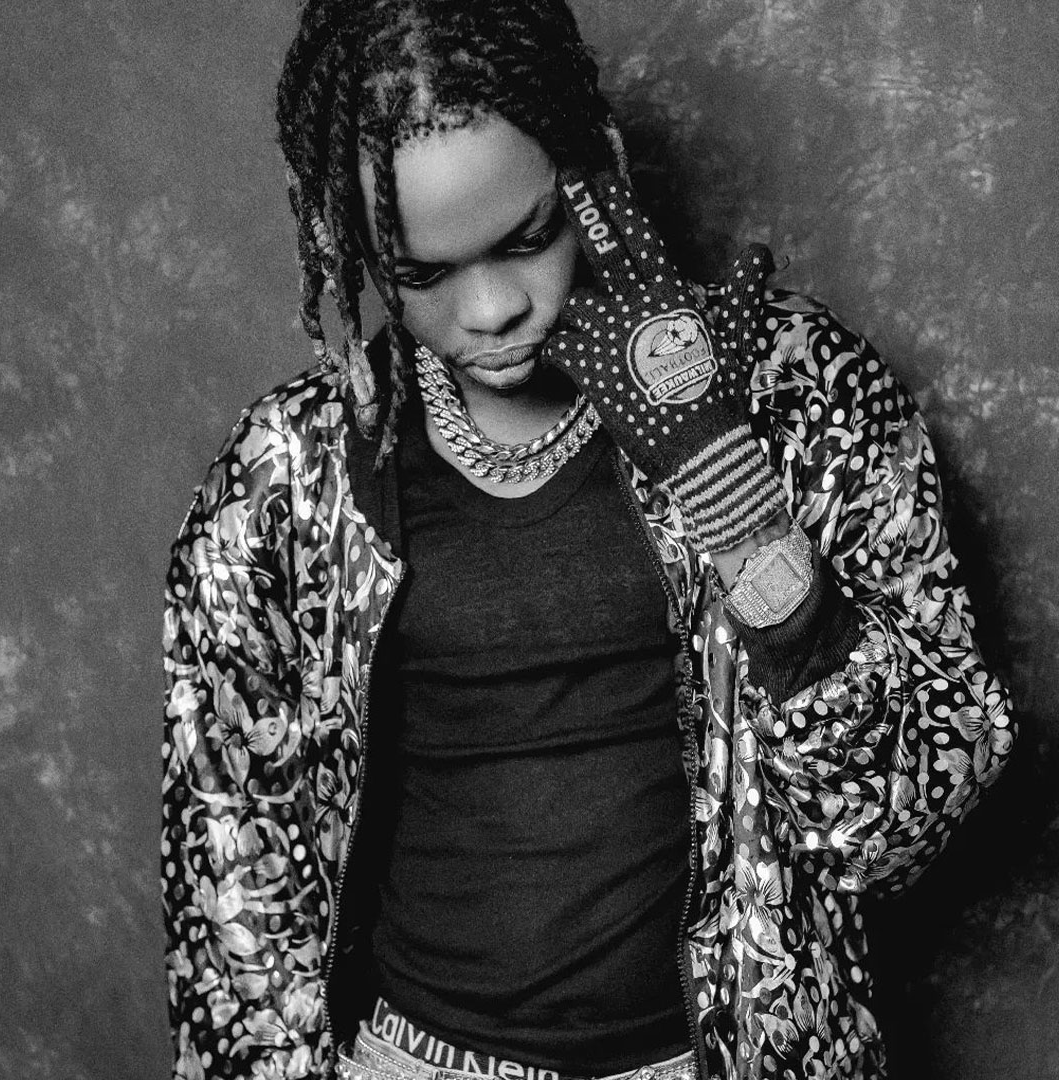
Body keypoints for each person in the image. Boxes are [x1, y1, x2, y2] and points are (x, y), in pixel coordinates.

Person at [160, 2, 1014, 1078]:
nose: (491, 308)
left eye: (526, 238)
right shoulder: (288, 475)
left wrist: (734, 494)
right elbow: (233, 881)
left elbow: (912, 818)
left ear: (594, 166)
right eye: (421, 272)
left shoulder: (795, 390)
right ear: (348, 243)